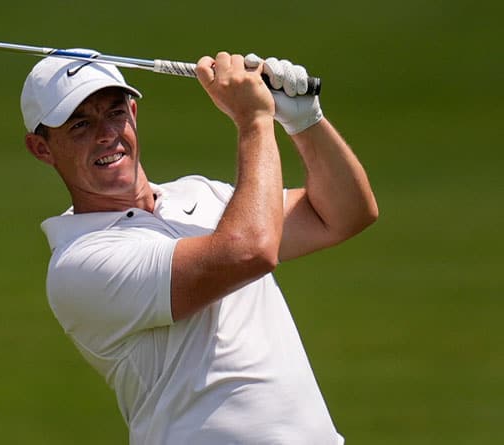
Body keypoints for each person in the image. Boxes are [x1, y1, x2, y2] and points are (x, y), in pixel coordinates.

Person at [20, 49, 378, 444]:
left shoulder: (200, 194)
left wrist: (304, 120)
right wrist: (254, 120)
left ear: (134, 115)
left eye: (115, 112)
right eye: (80, 125)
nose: (106, 134)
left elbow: (345, 214)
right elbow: (249, 252)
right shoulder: (80, 264)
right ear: (42, 149)